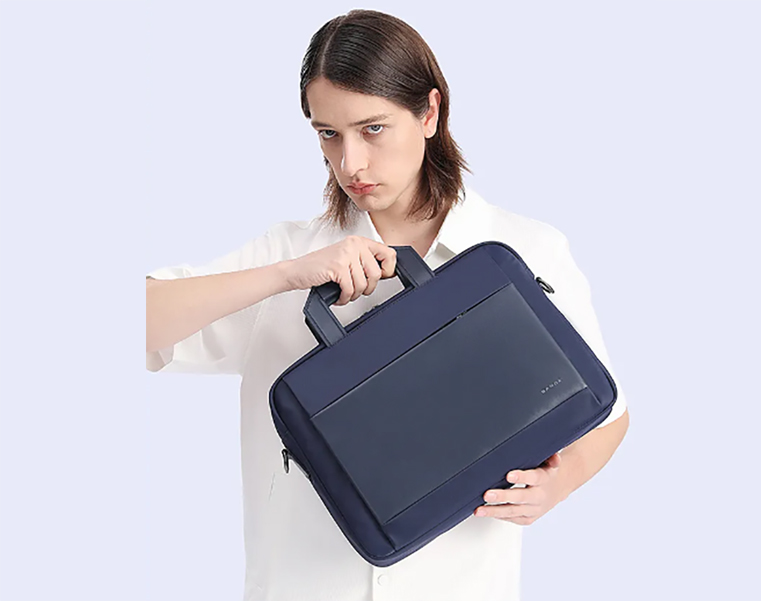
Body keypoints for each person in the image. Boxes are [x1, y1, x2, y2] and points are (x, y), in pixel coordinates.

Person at [145, 9, 629, 601]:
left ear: (430, 113)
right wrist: (286, 275)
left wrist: (560, 483)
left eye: (372, 129)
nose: (350, 163)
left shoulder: (527, 249)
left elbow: (607, 410)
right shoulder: (286, 253)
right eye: (328, 133)